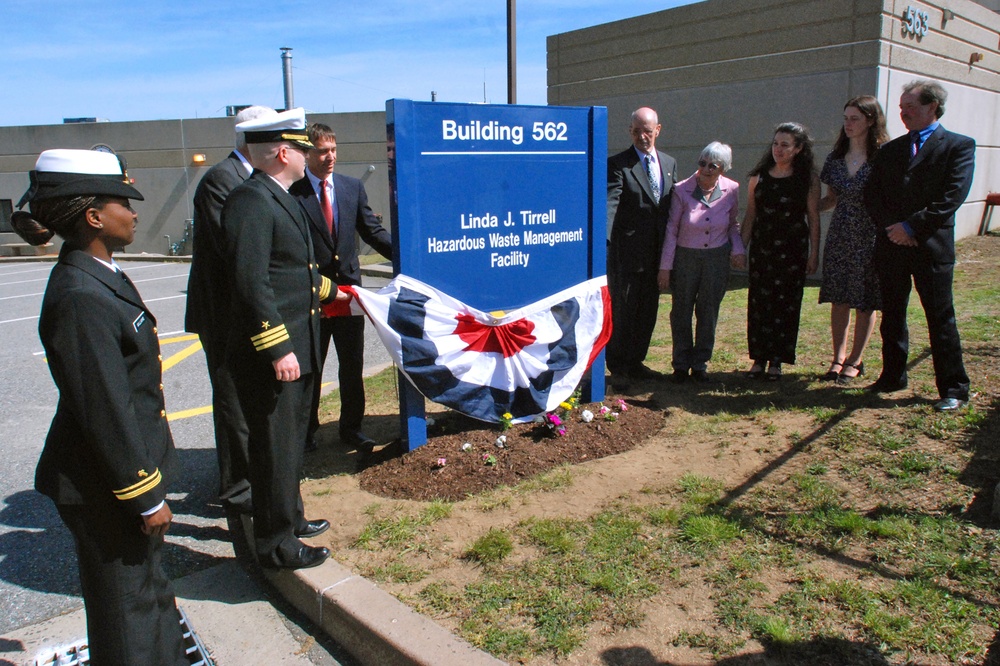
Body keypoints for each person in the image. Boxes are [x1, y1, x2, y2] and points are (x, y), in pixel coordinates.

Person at [12, 149, 188, 665]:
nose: (134, 213)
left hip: (118, 476)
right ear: (94, 217)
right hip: (107, 484)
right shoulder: (80, 294)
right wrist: (144, 496)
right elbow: (103, 408)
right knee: (126, 613)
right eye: (124, 203)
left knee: (149, 595)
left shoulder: (98, 271)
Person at [222, 108, 337, 569]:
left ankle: (292, 517)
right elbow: (251, 282)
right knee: (273, 448)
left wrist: (343, 294)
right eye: (304, 149)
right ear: (284, 152)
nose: (309, 157)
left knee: (289, 443)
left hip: (300, 346)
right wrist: (277, 347)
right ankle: (275, 542)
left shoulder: (279, 195)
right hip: (280, 353)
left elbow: (294, 273)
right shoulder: (251, 200)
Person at [864, 80, 975, 411]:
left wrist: (912, 226)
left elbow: (952, 195)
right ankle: (893, 375)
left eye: (910, 106)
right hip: (891, 246)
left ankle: (953, 387)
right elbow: (873, 195)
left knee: (941, 319)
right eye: (901, 107)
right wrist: (892, 228)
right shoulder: (890, 150)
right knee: (893, 315)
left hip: (931, 246)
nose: (903, 112)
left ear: (932, 107)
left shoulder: (958, 146)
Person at [184, 104, 273, 514]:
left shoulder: (249, 178)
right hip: (223, 314)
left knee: (248, 396)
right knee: (232, 399)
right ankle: (239, 489)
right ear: (252, 141)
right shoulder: (223, 179)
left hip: (243, 310)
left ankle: (254, 475)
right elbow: (236, 249)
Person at [290, 122, 393, 454]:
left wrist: (409, 258)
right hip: (313, 298)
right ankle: (306, 431)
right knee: (312, 370)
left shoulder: (351, 188)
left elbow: (373, 232)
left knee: (352, 367)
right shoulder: (292, 193)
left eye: (333, 149)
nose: (330, 156)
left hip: (349, 297)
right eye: (322, 151)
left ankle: (352, 428)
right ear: (307, 153)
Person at [657, 141, 745, 383]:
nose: (705, 169)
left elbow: (733, 225)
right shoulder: (682, 189)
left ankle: (700, 364)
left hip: (716, 258)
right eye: (702, 163)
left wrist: (738, 250)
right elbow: (671, 229)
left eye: (713, 165)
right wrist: (665, 267)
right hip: (686, 257)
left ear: (723, 168)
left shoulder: (732, 189)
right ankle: (680, 364)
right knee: (681, 311)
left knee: (708, 311)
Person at [818, 96, 889, 385]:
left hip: (869, 235)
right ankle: (838, 357)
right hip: (840, 234)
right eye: (845, 118)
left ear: (871, 121)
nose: (848, 124)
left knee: (864, 300)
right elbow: (831, 200)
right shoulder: (835, 158)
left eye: (855, 119)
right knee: (839, 298)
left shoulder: (883, 157)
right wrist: (804, 209)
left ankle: (855, 360)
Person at [741, 122, 821, 380]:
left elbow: (813, 218)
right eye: (776, 144)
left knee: (786, 304)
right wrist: (740, 248)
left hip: (792, 251)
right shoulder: (758, 177)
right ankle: (758, 359)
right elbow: (750, 216)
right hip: (763, 250)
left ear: (798, 148)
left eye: (785, 145)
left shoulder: (807, 179)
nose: (778, 149)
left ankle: (777, 360)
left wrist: (813, 253)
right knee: (759, 303)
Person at [606, 107, 677, 386]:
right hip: (626, 255)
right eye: (636, 131)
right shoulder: (618, 164)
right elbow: (609, 205)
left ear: (657, 130)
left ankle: (636, 362)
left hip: (657, 255)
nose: (642, 136)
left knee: (648, 310)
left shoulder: (669, 163)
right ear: (630, 132)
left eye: (647, 131)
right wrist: (605, 244)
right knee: (623, 310)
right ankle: (619, 365)